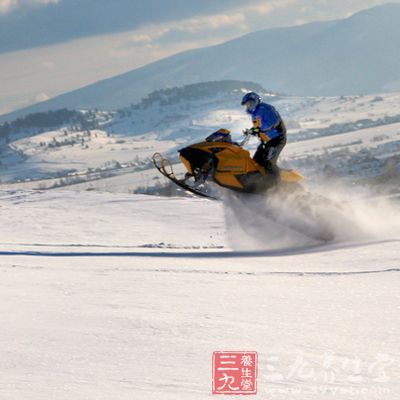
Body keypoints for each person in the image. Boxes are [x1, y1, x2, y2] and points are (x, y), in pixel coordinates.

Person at [241, 92, 287, 182]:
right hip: (266, 142)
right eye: (246, 105)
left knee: (268, 162)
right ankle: (257, 183)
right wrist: (250, 131)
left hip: (277, 139)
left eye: (249, 104)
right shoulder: (254, 114)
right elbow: (258, 128)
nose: (248, 106)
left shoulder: (265, 108)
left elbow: (273, 122)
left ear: (254, 101)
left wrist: (258, 130)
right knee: (255, 163)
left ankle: (277, 186)